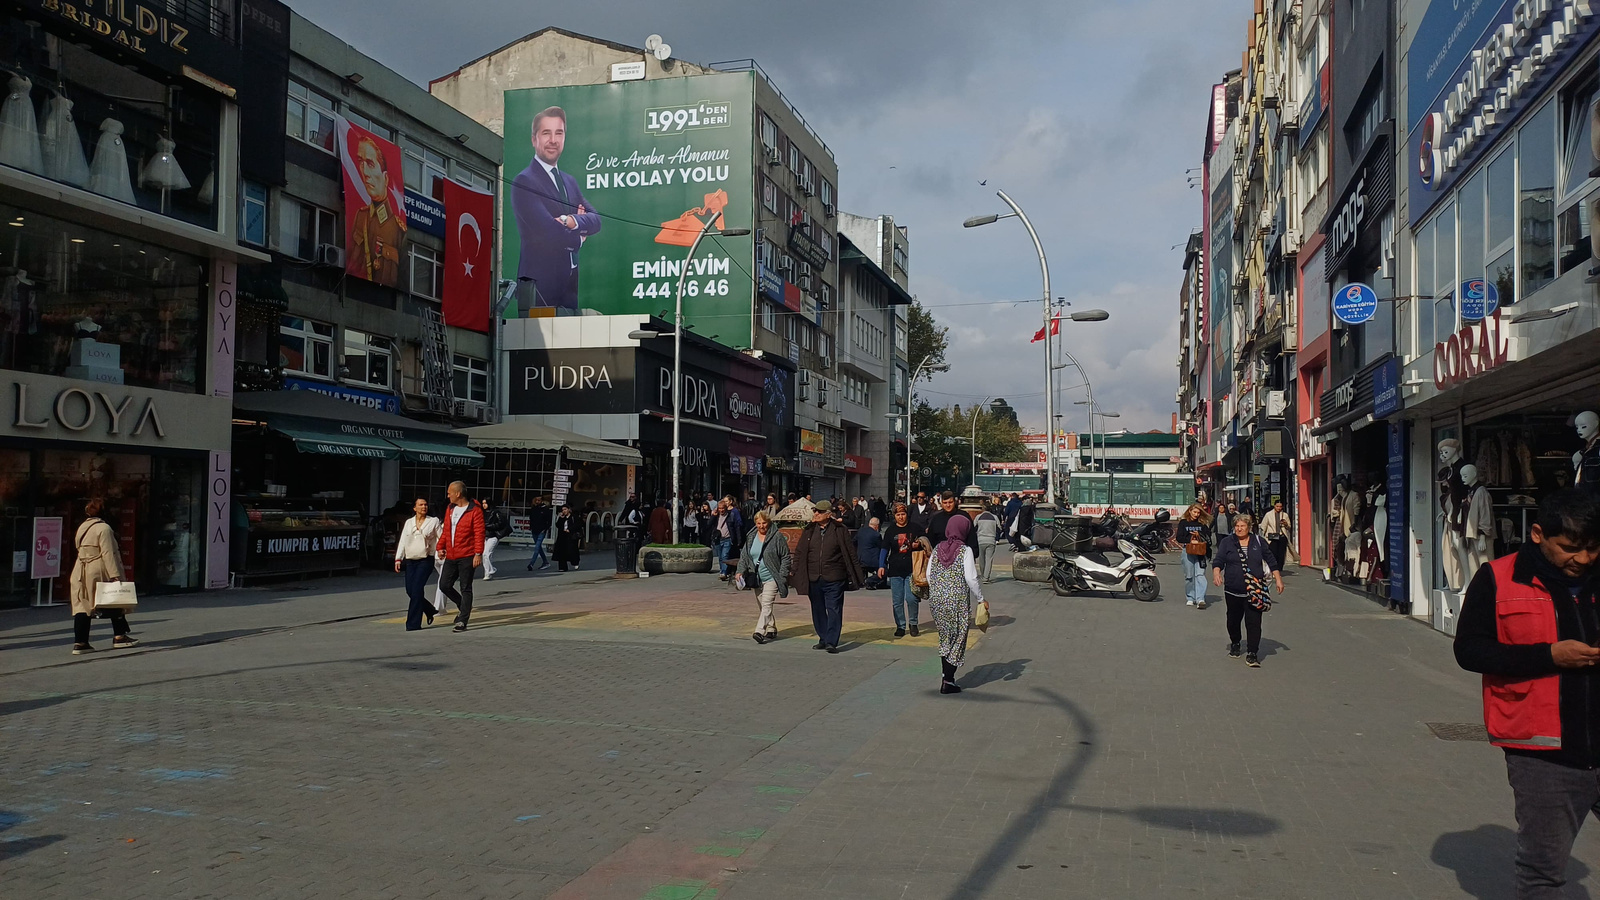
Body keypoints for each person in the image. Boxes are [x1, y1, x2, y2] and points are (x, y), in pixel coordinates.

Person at [1454, 488, 1600, 899]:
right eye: (1570, 549)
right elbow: (1469, 650)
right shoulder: (1497, 578)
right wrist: (1549, 655)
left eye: (1592, 548)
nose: (1583, 559)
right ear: (1537, 534)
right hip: (1546, 755)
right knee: (1543, 874)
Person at [510, 106, 601, 312]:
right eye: (546, 133)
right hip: (539, 291)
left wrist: (570, 221)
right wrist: (579, 238)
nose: (553, 140)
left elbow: (596, 220)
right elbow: (548, 233)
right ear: (534, 139)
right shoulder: (524, 181)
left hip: (568, 292)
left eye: (558, 133)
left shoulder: (569, 182)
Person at [790, 500, 866, 653]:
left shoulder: (840, 530)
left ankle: (831, 641)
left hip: (834, 578)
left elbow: (850, 552)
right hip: (814, 578)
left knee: (834, 609)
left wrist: (857, 574)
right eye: (815, 511)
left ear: (828, 514)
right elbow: (799, 552)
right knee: (817, 609)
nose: (816, 514)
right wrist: (795, 570)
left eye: (819, 511)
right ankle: (823, 638)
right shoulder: (810, 530)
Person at [1211, 513, 1284, 667]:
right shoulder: (1227, 542)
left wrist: (1278, 579)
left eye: (1242, 526)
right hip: (1233, 589)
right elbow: (1219, 560)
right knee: (1233, 620)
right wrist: (1217, 572)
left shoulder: (1259, 541)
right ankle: (1235, 642)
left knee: (1254, 623)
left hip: (1254, 590)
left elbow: (1271, 560)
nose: (1239, 529)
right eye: (1237, 526)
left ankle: (1252, 653)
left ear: (1249, 527)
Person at [68, 498, 135, 654]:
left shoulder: (82, 527)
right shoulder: (104, 529)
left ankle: (80, 642)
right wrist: (115, 575)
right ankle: (119, 636)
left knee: (82, 606)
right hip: (97, 569)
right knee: (114, 600)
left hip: (80, 570)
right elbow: (108, 553)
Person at [927, 514, 984, 694]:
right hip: (957, 601)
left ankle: (946, 677)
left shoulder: (937, 549)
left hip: (937, 600)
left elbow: (929, 575)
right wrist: (981, 599)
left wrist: (939, 589)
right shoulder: (965, 550)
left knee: (945, 637)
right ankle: (948, 680)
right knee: (959, 637)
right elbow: (971, 578)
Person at [349, 133, 405, 287]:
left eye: (370, 164)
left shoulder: (398, 229)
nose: (364, 172)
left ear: (385, 178)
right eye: (361, 162)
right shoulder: (360, 216)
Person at [737, 510, 791, 644]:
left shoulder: (776, 536)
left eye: (764, 523)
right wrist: (740, 571)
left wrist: (782, 575)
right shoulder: (751, 536)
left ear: (769, 522)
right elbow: (744, 556)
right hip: (756, 577)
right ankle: (771, 628)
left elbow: (785, 557)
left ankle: (759, 631)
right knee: (763, 606)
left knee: (766, 604)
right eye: (759, 523)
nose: (762, 526)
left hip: (772, 577)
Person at [436, 482, 484, 633]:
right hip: (451, 554)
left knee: (466, 587)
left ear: (458, 494)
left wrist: (478, 553)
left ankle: (463, 620)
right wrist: (440, 546)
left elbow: (479, 533)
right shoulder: (450, 508)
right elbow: (446, 530)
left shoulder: (474, 510)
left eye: (450, 492)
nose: (448, 495)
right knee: (444, 585)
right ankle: (461, 605)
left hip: (467, 555)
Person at [395, 498, 442, 630]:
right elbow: (403, 541)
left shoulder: (433, 521)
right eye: (420, 505)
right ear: (414, 508)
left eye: (426, 504)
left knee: (416, 589)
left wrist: (441, 552)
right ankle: (429, 609)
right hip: (410, 560)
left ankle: (413, 624)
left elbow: (441, 538)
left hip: (425, 559)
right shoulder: (409, 523)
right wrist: (398, 558)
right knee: (410, 590)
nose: (424, 507)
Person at [882, 504, 924, 637]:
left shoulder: (915, 528)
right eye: (898, 515)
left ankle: (913, 623)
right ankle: (900, 625)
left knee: (912, 599)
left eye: (903, 514)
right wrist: (881, 565)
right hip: (895, 570)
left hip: (912, 570)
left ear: (907, 514)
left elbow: (926, 541)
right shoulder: (890, 530)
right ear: (894, 516)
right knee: (897, 601)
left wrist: (919, 544)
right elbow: (884, 549)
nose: (901, 517)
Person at [1175, 503, 1213, 609]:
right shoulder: (1183, 523)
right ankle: (1190, 597)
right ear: (1190, 511)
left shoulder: (1203, 524)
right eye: (1194, 512)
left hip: (1201, 552)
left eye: (1198, 512)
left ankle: (1200, 598)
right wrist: (1190, 539)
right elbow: (1179, 538)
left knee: (1200, 575)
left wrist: (1199, 535)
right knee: (1189, 576)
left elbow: (1208, 538)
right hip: (1188, 550)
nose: (1196, 514)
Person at [480, 497, 511, 581]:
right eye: (483, 503)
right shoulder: (482, 513)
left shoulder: (495, 512)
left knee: (487, 553)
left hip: (493, 535)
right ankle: (487, 573)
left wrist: (489, 526)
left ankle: (491, 570)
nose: (484, 505)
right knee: (485, 555)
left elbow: (501, 523)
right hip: (485, 535)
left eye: (485, 503)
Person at [972, 504, 1002, 583]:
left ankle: (982, 575)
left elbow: (973, 528)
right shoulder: (995, 517)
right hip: (991, 540)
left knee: (981, 559)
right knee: (989, 559)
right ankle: (986, 577)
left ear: (983, 509)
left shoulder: (978, 517)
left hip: (980, 540)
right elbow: (999, 528)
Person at [715, 497, 743, 580]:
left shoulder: (731, 515)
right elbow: (709, 524)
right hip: (718, 538)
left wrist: (738, 539)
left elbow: (737, 526)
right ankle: (722, 570)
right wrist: (713, 515)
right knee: (720, 556)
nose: (721, 510)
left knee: (725, 555)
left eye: (722, 508)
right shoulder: (716, 516)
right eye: (719, 508)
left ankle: (724, 572)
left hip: (727, 538)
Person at [1260, 499, 1292, 571]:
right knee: (1273, 553)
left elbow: (1289, 527)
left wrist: (1285, 524)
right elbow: (1263, 526)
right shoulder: (1268, 514)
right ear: (1274, 506)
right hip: (1272, 537)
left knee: (1281, 554)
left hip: (1282, 536)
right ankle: (1273, 569)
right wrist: (1264, 537)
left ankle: (1279, 569)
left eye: (1280, 506)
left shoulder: (1285, 515)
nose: (1279, 508)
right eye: (1277, 506)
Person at [855, 516, 885, 588]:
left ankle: (862, 580)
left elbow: (854, 542)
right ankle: (871, 580)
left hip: (860, 557)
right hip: (872, 559)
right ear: (877, 526)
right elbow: (881, 547)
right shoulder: (876, 535)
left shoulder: (860, 531)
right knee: (884, 569)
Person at [526, 495, 552, 571]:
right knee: (539, 548)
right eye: (536, 500)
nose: (537, 501)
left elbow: (549, 521)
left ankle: (531, 564)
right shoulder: (534, 509)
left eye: (539, 500)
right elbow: (531, 518)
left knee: (537, 548)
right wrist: (531, 527)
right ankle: (545, 562)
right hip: (534, 530)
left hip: (542, 531)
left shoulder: (546, 509)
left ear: (542, 501)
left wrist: (545, 529)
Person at [553, 504, 582, 571]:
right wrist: (561, 518)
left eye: (565, 509)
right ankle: (562, 567)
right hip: (562, 536)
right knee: (561, 551)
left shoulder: (574, 517)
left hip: (571, 536)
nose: (564, 511)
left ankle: (575, 562)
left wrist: (570, 529)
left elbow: (577, 525)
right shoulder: (562, 517)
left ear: (569, 509)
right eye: (563, 510)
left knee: (572, 550)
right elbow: (558, 525)